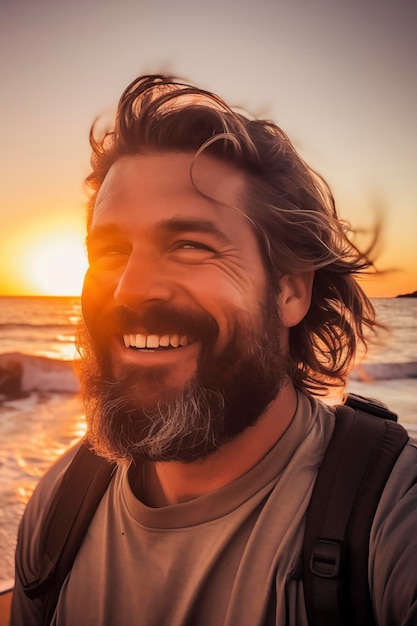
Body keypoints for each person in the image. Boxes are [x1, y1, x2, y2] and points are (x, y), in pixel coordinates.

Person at [10, 74, 417, 625]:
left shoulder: (389, 516)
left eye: (189, 244)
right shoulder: (63, 503)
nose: (129, 288)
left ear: (291, 289)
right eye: (110, 250)